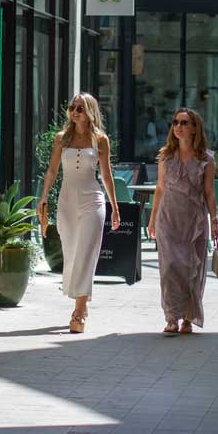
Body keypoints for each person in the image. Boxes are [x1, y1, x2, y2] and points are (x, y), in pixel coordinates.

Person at [38, 93, 123, 334]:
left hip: (92, 201)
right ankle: (80, 301)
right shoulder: (61, 139)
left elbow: (106, 176)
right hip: (66, 202)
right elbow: (52, 170)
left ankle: (80, 311)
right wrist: (43, 197)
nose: (75, 111)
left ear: (90, 112)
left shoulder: (100, 140)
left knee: (86, 253)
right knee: (73, 253)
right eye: (72, 107)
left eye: (81, 108)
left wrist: (115, 207)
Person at [148, 107, 218, 335]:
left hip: (194, 222)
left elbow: (209, 193)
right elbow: (159, 190)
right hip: (167, 220)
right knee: (168, 269)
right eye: (175, 122)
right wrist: (151, 220)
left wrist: (215, 221)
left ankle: (188, 318)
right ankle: (171, 317)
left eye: (184, 123)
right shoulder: (165, 157)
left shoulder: (206, 159)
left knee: (191, 270)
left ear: (195, 128)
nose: (178, 126)